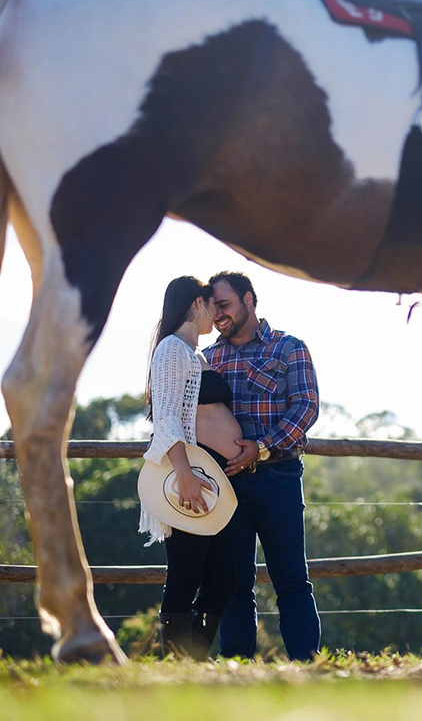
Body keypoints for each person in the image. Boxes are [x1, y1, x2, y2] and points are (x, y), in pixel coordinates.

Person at [203, 271, 321, 660]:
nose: (217, 314)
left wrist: (263, 447)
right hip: (226, 482)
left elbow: (306, 406)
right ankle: (238, 670)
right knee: (235, 582)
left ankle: (307, 666)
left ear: (249, 299)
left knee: (291, 579)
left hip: (278, 476)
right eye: (212, 306)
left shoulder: (288, 347)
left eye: (224, 304)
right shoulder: (209, 358)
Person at [141, 276, 244, 660]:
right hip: (188, 477)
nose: (216, 314)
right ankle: (179, 664)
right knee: (186, 573)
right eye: (212, 305)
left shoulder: (193, 354)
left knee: (224, 575)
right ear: (196, 304)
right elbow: (167, 419)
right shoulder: (171, 350)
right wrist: (183, 474)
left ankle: (193, 658)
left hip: (210, 475)